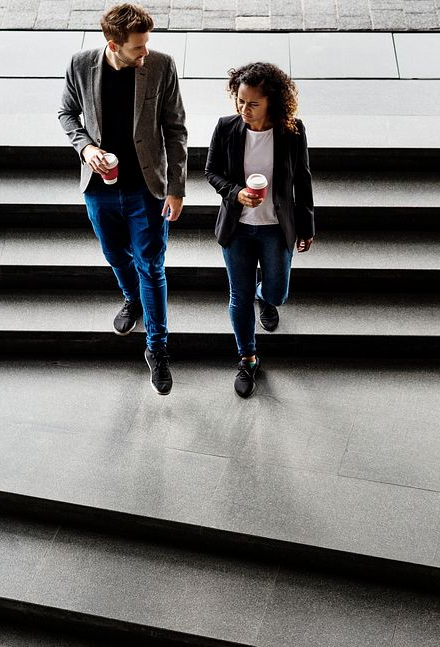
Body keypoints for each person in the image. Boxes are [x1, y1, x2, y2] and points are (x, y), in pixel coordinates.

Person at [58, 3, 187, 395]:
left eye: (146, 44)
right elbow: (67, 114)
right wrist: (85, 148)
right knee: (115, 255)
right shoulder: (80, 65)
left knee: (151, 265)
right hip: (99, 188)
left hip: (146, 189)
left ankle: (157, 349)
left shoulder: (161, 66)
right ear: (112, 44)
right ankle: (132, 299)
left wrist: (177, 188)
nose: (145, 52)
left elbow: (175, 129)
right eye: (137, 47)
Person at [204, 62, 315, 399]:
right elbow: (211, 171)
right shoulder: (226, 128)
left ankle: (265, 297)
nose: (244, 110)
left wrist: (307, 224)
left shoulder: (291, 131)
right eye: (240, 101)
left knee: (277, 292)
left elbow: (303, 180)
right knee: (238, 295)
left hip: (274, 228)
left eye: (253, 104)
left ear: (272, 103)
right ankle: (248, 357)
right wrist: (235, 192)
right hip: (237, 229)